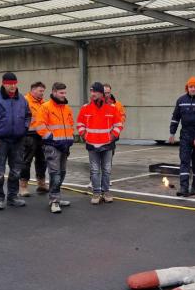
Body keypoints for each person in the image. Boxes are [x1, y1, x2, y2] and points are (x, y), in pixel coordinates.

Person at [0, 72, 31, 210]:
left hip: (18, 140)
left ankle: (13, 197)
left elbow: (28, 115)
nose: (13, 86)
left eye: (15, 83)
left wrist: (24, 128)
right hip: (0, 140)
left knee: (15, 171)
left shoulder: (21, 99)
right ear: (3, 83)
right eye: (10, 84)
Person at [76, 82, 123, 205]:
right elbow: (80, 124)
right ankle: (96, 193)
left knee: (106, 170)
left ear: (101, 93)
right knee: (95, 170)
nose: (92, 94)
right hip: (92, 144)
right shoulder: (85, 108)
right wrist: (85, 135)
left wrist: (112, 136)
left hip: (107, 144)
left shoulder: (112, 108)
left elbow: (118, 124)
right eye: (91, 91)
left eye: (95, 91)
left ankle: (106, 192)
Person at [33, 82, 75, 213]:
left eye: (65, 93)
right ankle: (55, 200)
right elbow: (39, 126)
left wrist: (70, 139)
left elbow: (70, 125)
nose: (63, 95)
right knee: (55, 174)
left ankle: (55, 197)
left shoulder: (67, 108)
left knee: (62, 173)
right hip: (52, 146)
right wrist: (51, 139)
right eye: (61, 93)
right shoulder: (45, 107)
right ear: (54, 92)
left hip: (64, 146)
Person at [168, 76, 195, 197]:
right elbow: (175, 118)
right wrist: (172, 133)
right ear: (187, 88)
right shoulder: (181, 100)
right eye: (190, 87)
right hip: (185, 135)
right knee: (184, 161)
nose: (192, 89)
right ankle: (184, 188)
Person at [21, 81, 48, 197]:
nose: (42, 93)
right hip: (28, 135)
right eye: (40, 91)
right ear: (33, 90)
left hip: (41, 135)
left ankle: (41, 184)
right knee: (26, 161)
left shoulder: (43, 103)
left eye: (43, 91)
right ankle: (23, 186)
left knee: (42, 160)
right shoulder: (24, 101)